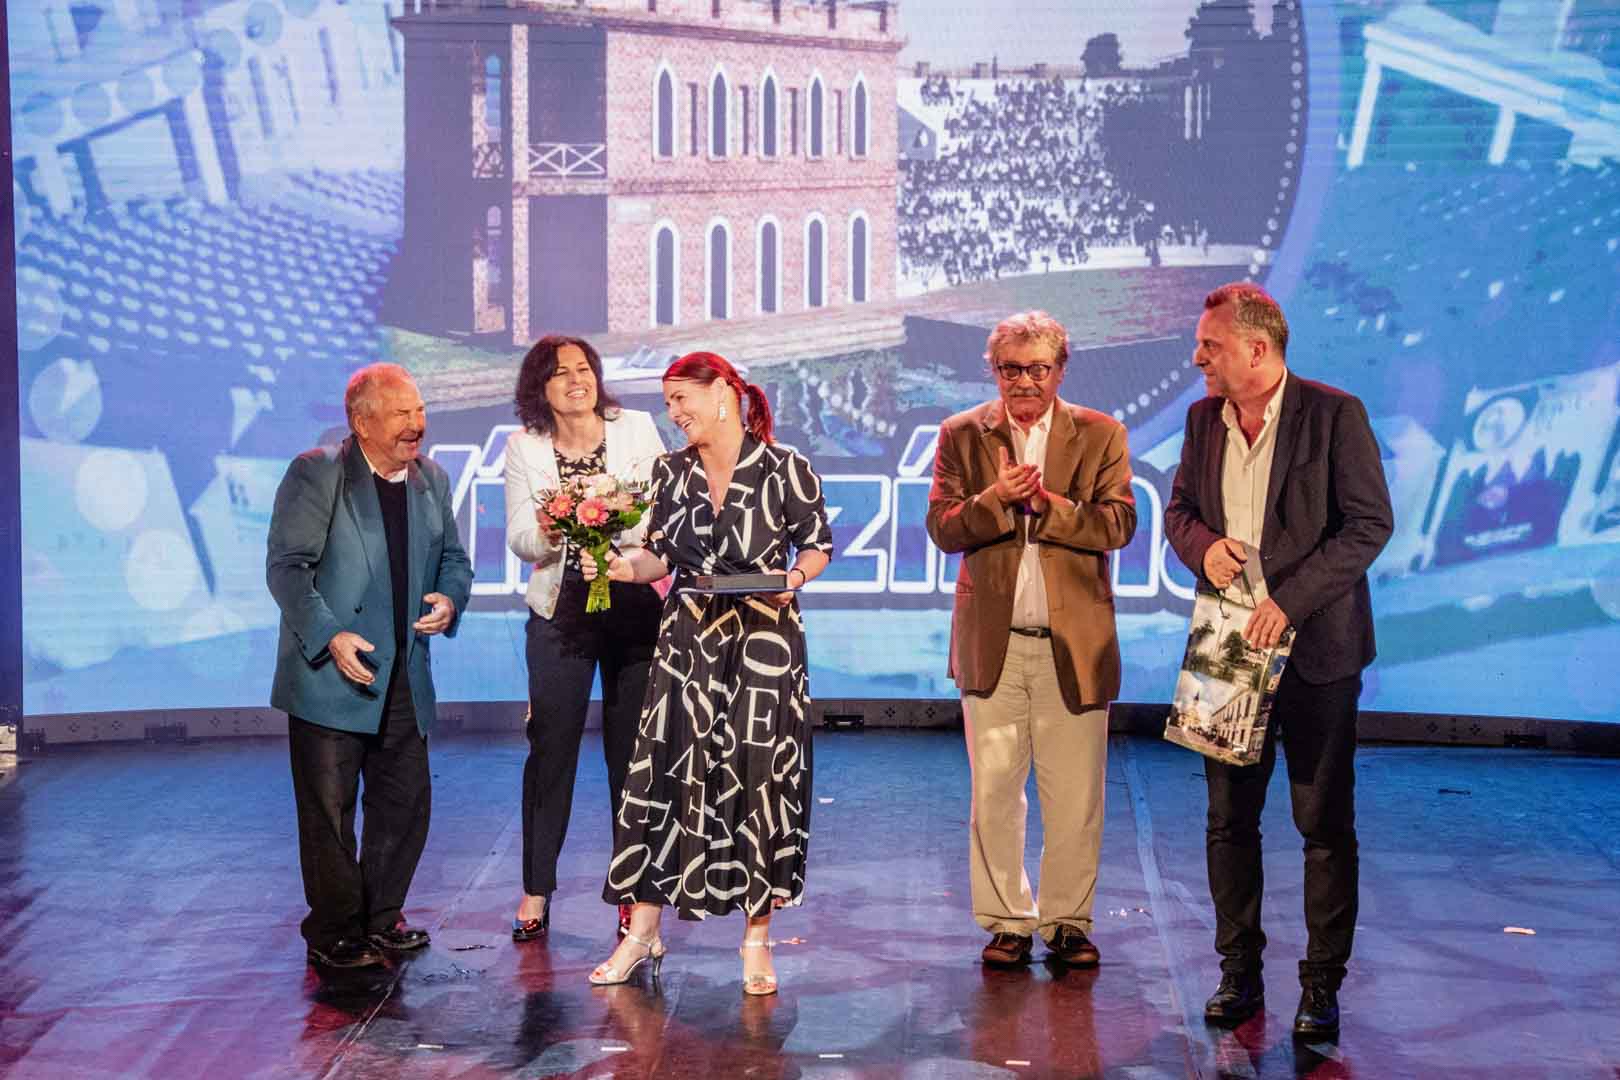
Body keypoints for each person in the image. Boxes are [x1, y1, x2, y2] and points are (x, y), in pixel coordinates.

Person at [1164, 283, 1393, 1039]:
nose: (1197, 358)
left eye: (1210, 345)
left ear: (1256, 349)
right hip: (1226, 650)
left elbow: (1368, 525)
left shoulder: (1335, 414)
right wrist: (1204, 548)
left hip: (1318, 649)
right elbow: (1179, 512)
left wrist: (1288, 603)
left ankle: (1321, 985)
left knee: (1322, 823)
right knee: (1228, 821)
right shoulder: (1202, 420)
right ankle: (1239, 973)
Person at [579, 351, 833, 996]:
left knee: (759, 779)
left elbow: (817, 542)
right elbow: (660, 556)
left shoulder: (785, 466)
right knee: (667, 772)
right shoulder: (671, 471)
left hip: (764, 639)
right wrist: (620, 568)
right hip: (689, 639)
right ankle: (641, 932)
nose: (674, 413)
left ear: (721, 391)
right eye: (668, 402)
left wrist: (793, 578)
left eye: (681, 399)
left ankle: (756, 941)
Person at [926, 311, 1137, 969]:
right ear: (994, 370)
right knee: (994, 793)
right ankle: (1008, 921)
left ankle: (1067, 920)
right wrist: (996, 499)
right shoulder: (962, 433)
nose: (1024, 381)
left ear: (1060, 370)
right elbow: (943, 527)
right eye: (1011, 368)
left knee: (1075, 797)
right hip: (992, 641)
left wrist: (1049, 505)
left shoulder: (1100, 433)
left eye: (1038, 368)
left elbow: (1118, 524)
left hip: (1072, 643)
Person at [267, 363, 473, 970]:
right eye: (402, 413)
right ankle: (334, 930)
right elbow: (288, 569)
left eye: (420, 410)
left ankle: (381, 917)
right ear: (362, 422)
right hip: (335, 672)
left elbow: (455, 560)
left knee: (404, 804)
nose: (418, 424)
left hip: (403, 671)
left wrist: (449, 598)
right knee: (330, 812)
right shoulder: (319, 473)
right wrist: (330, 635)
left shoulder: (431, 480)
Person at [503, 335, 666, 942]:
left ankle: (633, 893)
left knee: (632, 756)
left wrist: (618, 526)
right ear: (539, 389)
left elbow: (662, 510)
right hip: (560, 610)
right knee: (552, 749)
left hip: (631, 601)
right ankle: (536, 887)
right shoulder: (524, 446)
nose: (577, 381)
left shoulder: (636, 428)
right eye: (561, 373)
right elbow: (520, 537)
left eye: (584, 369)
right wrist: (552, 529)